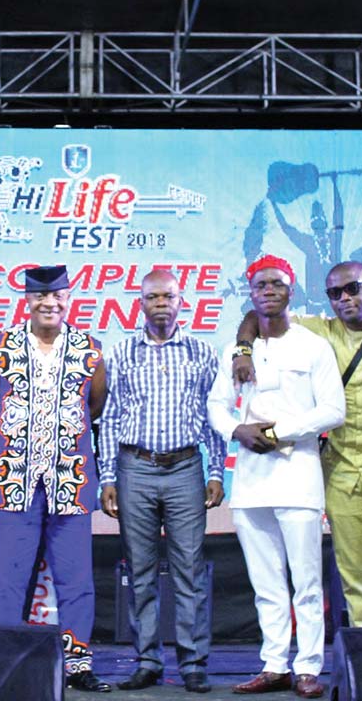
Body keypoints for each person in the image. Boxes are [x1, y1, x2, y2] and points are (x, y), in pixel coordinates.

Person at [234, 260, 362, 628]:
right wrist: (242, 350)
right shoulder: (319, 332)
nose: (344, 299)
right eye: (335, 293)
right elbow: (257, 315)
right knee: (354, 574)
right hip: (340, 469)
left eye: (353, 289)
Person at [209, 256, 344, 698]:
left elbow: (333, 410)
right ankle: (274, 665)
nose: (269, 290)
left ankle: (308, 668)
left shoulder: (313, 346)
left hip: (298, 476)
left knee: (306, 582)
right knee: (266, 583)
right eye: (261, 285)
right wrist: (237, 430)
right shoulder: (236, 351)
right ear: (250, 293)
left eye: (277, 284)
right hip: (250, 482)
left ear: (291, 291)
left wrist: (277, 432)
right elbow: (216, 405)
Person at [97, 269, 228, 694]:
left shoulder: (201, 352)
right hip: (134, 468)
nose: (160, 304)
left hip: (185, 468)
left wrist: (215, 471)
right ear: (140, 303)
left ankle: (193, 662)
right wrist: (107, 477)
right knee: (140, 570)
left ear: (180, 301)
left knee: (190, 568)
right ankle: (148, 660)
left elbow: (213, 416)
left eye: (167, 297)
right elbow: (110, 418)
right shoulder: (121, 352)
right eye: (152, 297)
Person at [0, 265, 111, 693]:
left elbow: (94, 406)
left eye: (57, 295)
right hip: (13, 477)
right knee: (8, 579)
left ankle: (77, 665)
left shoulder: (90, 350)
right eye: (40, 296)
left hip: (69, 478)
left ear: (68, 298)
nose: (49, 303)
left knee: (75, 579)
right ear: (27, 300)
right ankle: (2, 663)